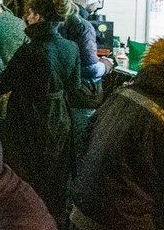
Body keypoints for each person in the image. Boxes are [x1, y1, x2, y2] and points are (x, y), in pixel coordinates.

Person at [0, 0, 78, 223]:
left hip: (28, 118)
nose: (26, 17)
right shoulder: (71, 47)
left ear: (38, 17)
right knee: (54, 176)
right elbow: (75, 86)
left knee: (27, 176)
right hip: (60, 118)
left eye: (29, 13)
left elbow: (4, 83)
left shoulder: (31, 50)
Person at [68, 38, 162, 230]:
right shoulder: (158, 114)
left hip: (82, 213)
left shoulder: (122, 95)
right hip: (125, 221)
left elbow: (85, 143)